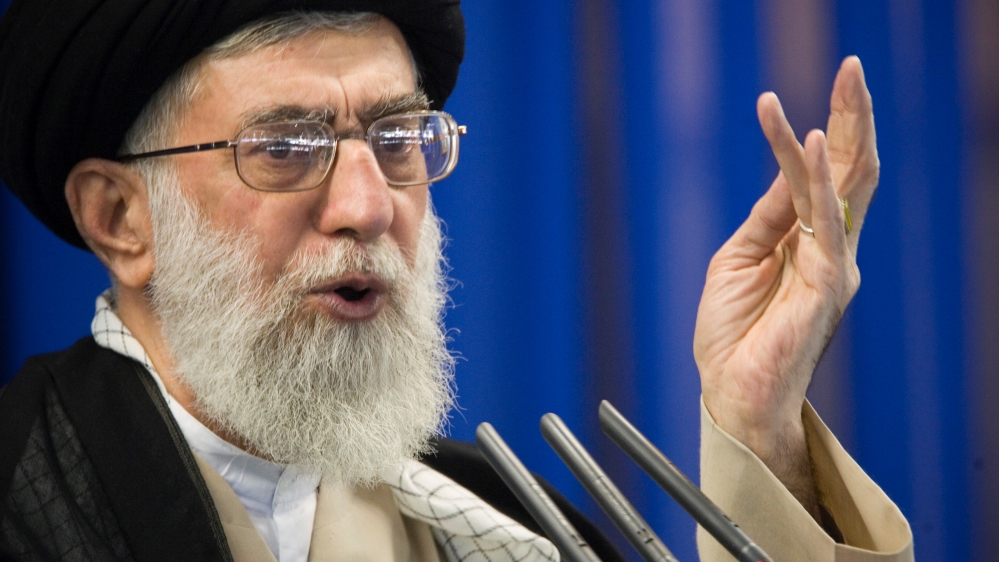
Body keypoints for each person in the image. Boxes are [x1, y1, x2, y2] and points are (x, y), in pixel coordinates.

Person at [0, 1, 911, 561]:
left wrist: (758, 425)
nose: (367, 203)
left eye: (398, 139)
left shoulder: (505, 524)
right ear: (121, 219)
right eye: (283, 148)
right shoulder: (25, 495)